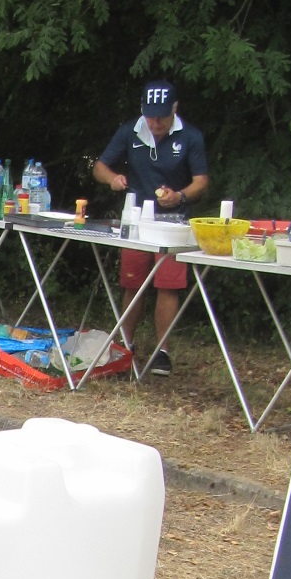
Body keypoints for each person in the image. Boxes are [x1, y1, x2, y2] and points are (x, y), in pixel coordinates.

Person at [93, 81, 210, 375]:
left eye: (162, 117)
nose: (156, 123)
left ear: (174, 109)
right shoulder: (130, 131)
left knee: (168, 285)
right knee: (132, 283)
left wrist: (180, 196)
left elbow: (201, 181)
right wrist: (112, 179)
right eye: (150, 116)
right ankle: (125, 346)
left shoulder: (190, 136)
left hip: (174, 222)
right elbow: (100, 166)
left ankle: (162, 352)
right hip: (137, 220)